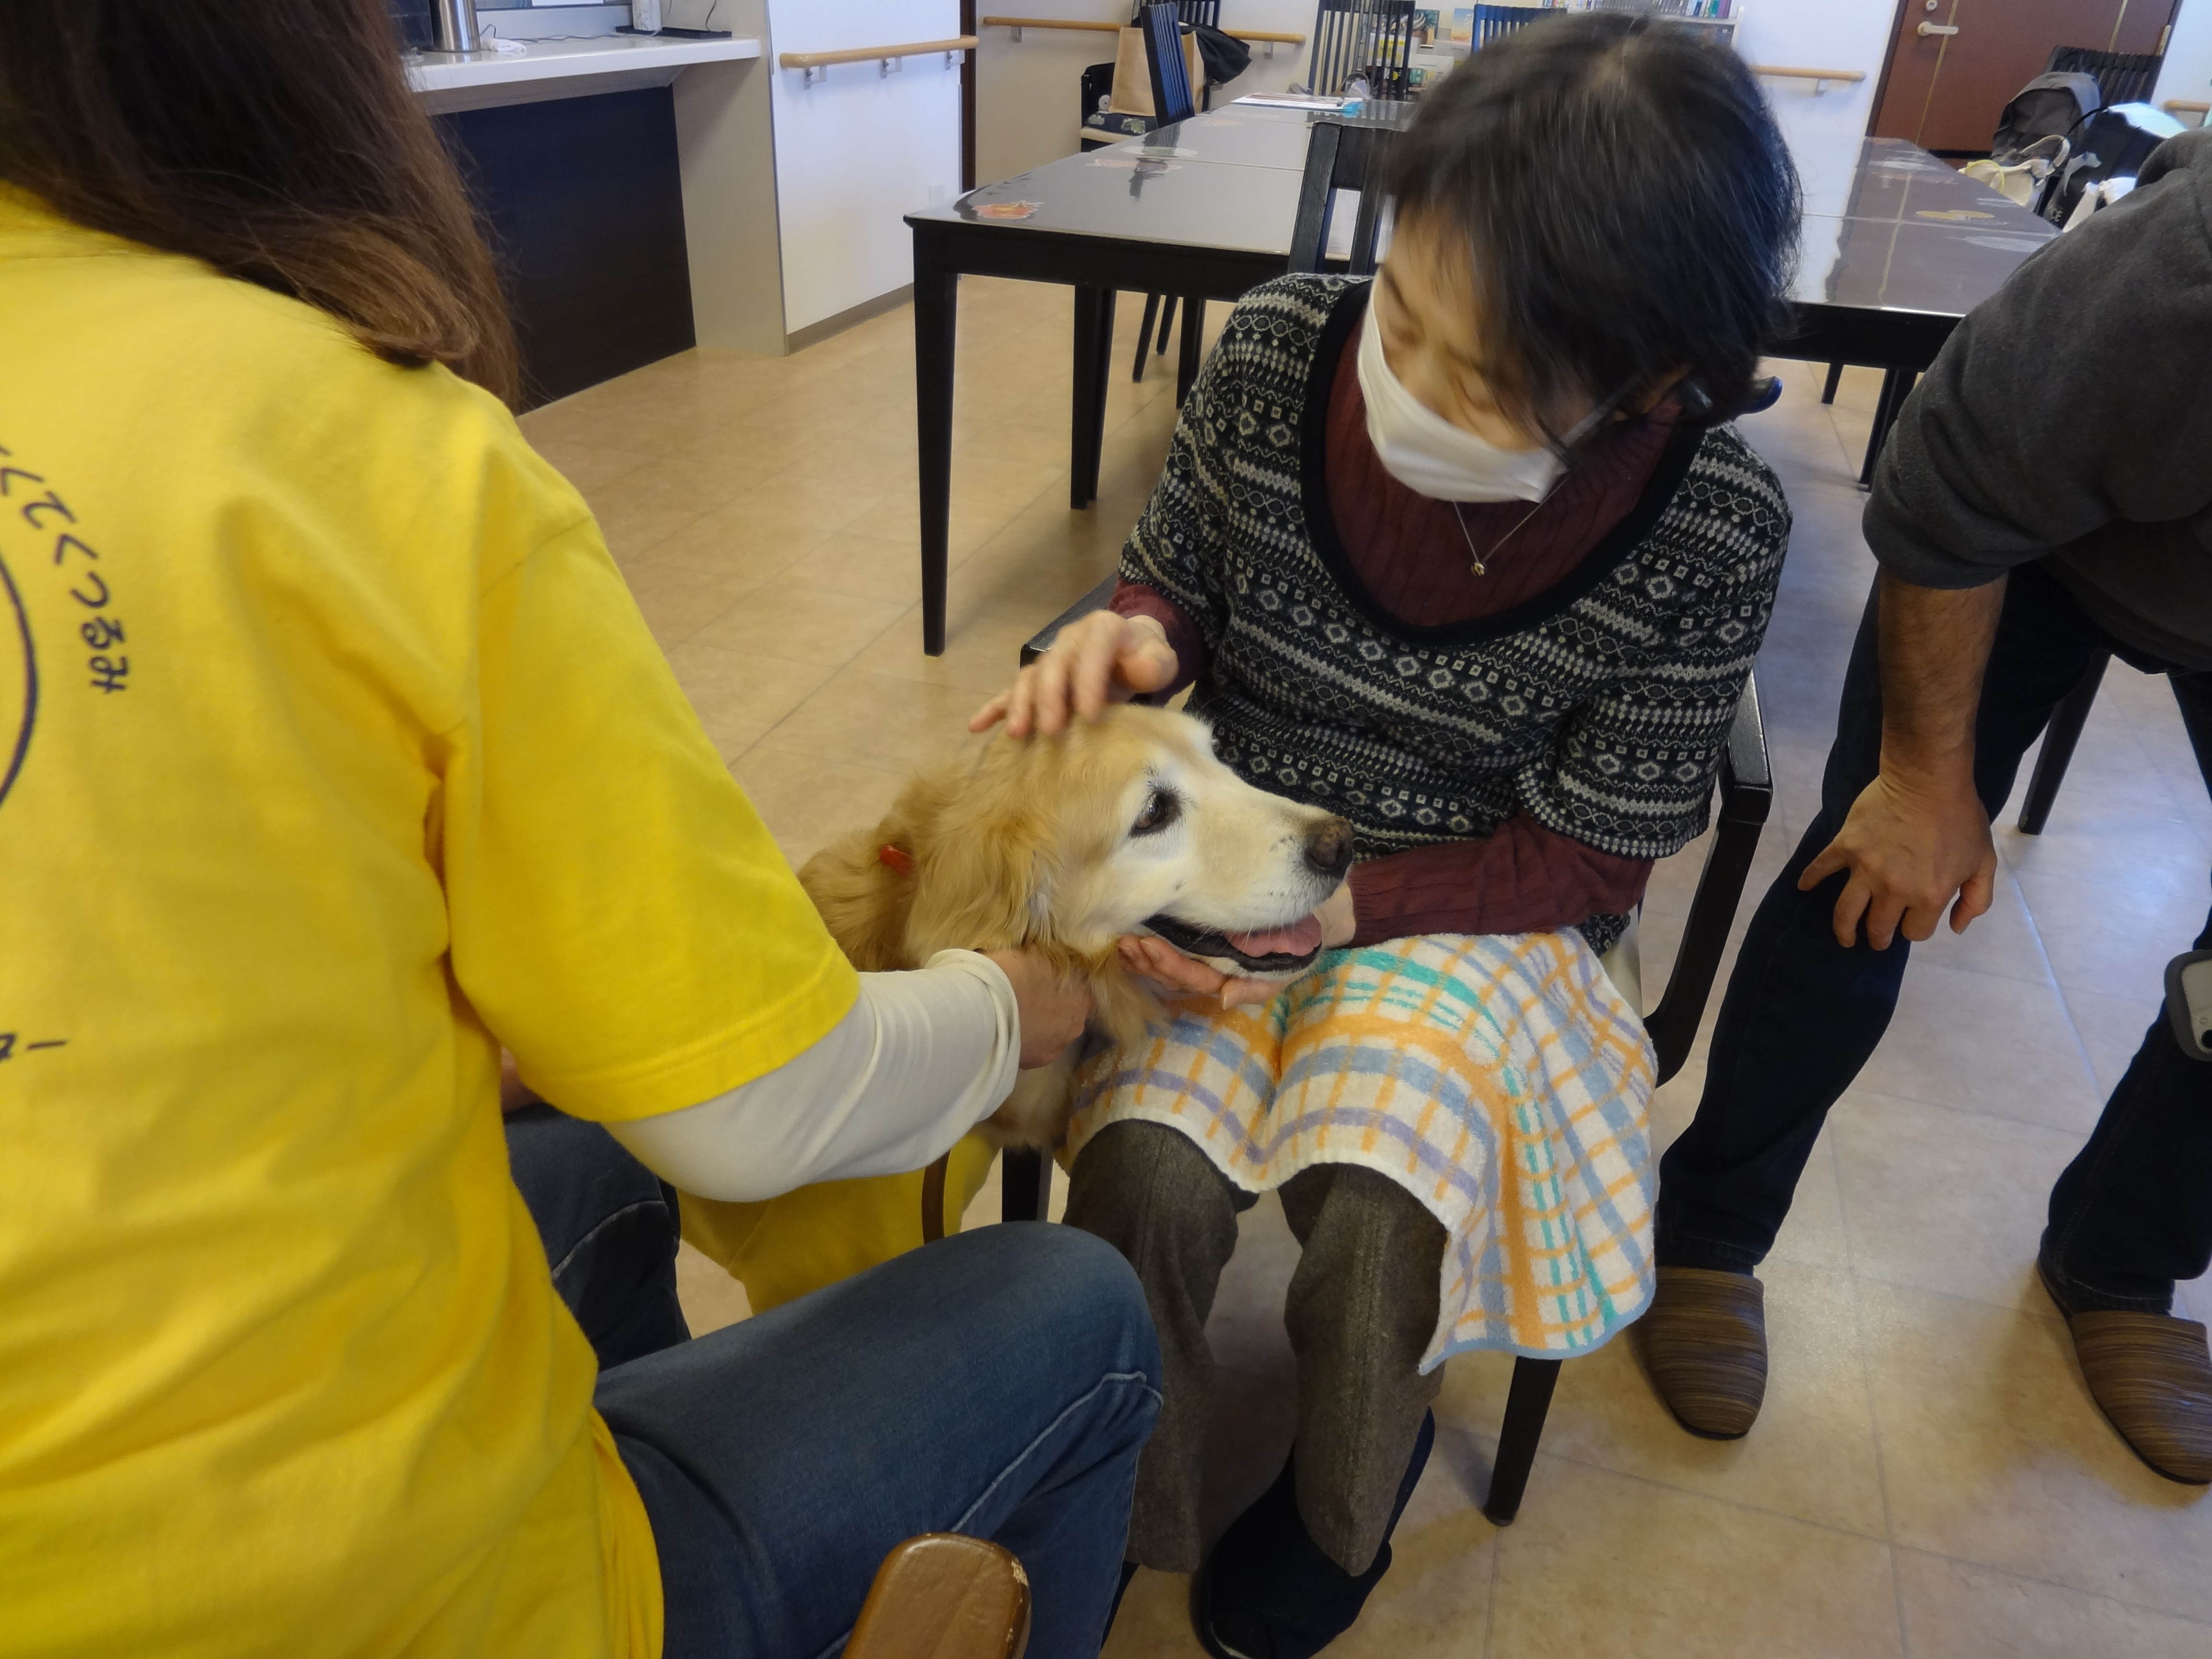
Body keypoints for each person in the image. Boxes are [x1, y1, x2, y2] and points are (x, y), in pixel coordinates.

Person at [0, 5, 1159, 1656]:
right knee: (1081, 1306)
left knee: (585, 1162)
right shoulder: (368, 441)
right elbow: (758, 1111)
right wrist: (1007, 1007)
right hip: (382, 1608)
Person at [973, 16, 1800, 1655]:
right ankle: (1125, 1483)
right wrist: (1135, 635)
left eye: (1473, 378)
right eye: (1401, 314)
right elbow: (1175, 580)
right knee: (1142, 1169)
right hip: (1240, 830)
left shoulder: (1712, 527)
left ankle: (1342, 1505)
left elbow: (1589, 857)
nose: (1401, 380)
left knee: (1376, 1202)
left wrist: (1340, 920)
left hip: (1482, 898)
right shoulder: (1284, 350)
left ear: (1648, 387)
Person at [1645, 129, 2212, 1484]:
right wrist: (1919, 781)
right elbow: (1950, 485)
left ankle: (2120, 1262)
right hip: (2030, 536)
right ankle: (1711, 1234)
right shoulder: (2182, 276)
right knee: (1875, 878)